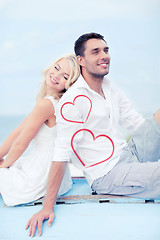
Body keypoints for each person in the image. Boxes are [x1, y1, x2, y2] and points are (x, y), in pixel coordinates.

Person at [26, 32, 160, 237]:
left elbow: (136, 123)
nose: (103, 55)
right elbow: (61, 155)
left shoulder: (109, 88)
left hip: (128, 154)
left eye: (106, 50)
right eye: (95, 52)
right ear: (81, 60)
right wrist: (47, 207)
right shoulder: (73, 101)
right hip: (107, 174)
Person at [0, 54, 80, 206]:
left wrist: (3, 165)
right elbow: (19, 131)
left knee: (5, 168)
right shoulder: (58, 103)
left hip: (41, 175)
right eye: (56, 68)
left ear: (70, 84)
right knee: (8, 163)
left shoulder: (46, 104)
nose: (56, 75)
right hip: (59, 175)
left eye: (64, 76)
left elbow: (20, 144)